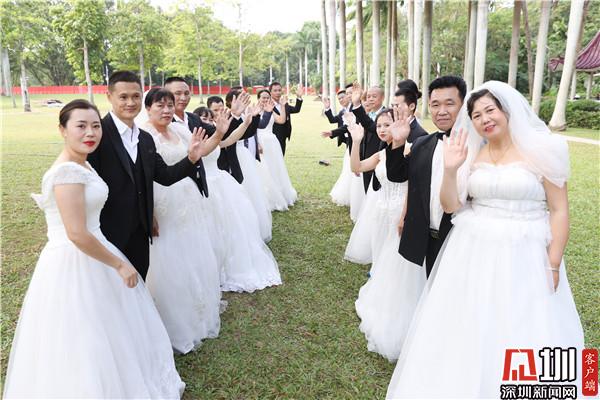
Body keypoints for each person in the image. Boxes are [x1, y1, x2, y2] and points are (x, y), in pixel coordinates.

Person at [386, 81, 584, 398]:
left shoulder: (544, 151)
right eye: (476, 115)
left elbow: (560, 210)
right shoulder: (472, 154)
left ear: (507, 110)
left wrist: (554, 261)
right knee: (472, 321)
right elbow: (451, 205)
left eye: (490, 110)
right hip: (473, 249)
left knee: (525, 322)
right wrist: (451, 170)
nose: (484, 119)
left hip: (526, 251)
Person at [3, 100, 185, 398]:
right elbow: (76, 233)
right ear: (62, 130)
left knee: (108, 326)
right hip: (75, 260)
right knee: (83, 331)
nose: (90, 133)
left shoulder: (83, 163)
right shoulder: (66, 173)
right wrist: (119, 264)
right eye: (81, 126)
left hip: (97, 250)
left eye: (96, 126)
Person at [87, 71, 225, 280]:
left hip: (140, 231)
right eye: (123, 97)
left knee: (139, 284)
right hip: (108, 231)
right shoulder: (98, 133)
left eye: (135, 96)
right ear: (109, 97)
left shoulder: (144, 139)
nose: (130, 102)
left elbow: (166, 176)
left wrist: (191, 159)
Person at [138, 88, 223, 354]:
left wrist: (218, 134)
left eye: (169, 105)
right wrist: (149, 211)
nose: (166, 110)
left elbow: (198, 152)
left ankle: (197, 313)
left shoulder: (178, 129)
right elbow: (144, 177)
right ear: (148, 108)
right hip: (163, 202)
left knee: (193, 253)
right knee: (169, 258)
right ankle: (173, 322)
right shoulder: (144, 136)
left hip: (188, 198)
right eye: (160, 105)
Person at [347, 108, 426, 362]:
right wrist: (356, 141)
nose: (382, 129)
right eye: (379, 125)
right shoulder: (381, 154)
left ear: (399, 125)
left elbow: (411, 184)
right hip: (380, 211)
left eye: (387, 124)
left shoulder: (409, 149)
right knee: (381, 257)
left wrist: (404, 215)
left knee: (396, 261)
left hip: (400, 213)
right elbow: (356, 167)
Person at [198, 98, 283, 293]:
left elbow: (229, 140)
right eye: (203, 118)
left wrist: (244, 122)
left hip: (221, 184)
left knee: (230, 224)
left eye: (209, 118)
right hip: (205, 186)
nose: (208, 121)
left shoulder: (215, 138)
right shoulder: (194, 141)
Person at [386, 75, 467, 277]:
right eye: (435, 105)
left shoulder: (479, 147)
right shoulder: (423, 143)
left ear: (463, 105)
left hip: (463, 242)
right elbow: (397, 175)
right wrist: (398, 143)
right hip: (429, 241)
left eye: (449, 104)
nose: (441, 111)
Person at [256, 89, 298, 208]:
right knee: (263, 168)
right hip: (260, 141)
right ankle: (265, 195)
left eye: (267, 97)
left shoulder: (271, 109)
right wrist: (257, 143)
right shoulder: (255, 110)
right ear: (258, 98)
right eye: (263, 97)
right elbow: (253, 128)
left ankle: (278, 192)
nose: (265, 99)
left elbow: (281, 120)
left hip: (272, 142)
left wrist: (283, 106)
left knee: (274, 167)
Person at [322, 88, 353, 207]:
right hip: (347, 141)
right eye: (339, 99)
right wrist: (327, 108)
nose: (340, 100)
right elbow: (332, 120)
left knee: (350, 164)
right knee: (348, 164)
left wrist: (332, 132)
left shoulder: (354, 109)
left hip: (354, 140)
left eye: (342, 97)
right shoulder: (342, 111)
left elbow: (347, 127)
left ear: (348, 97)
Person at [270, 81, 303, 156]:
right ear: (270, 92)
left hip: (283, 137)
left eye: (279, 90)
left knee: (281, 157)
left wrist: (299, 97)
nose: (278, 92)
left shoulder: (284, 103)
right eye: (275, 90)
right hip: (272, 137)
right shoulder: (268, 105)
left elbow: (296, 109)